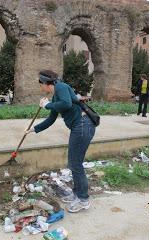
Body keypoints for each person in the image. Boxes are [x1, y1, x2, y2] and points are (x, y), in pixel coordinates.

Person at [26, 70, 96, 213]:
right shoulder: (57, 95)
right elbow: (51, 119)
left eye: (41, 85)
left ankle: (83, 200)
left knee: (75, 164)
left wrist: (47, 105)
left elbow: (66, 104)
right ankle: (77, 195)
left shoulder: (61, 87)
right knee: (74, 164)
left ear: (46, 84)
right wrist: (34, 129)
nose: (41, 88)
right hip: (79, 127)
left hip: (83, 126)